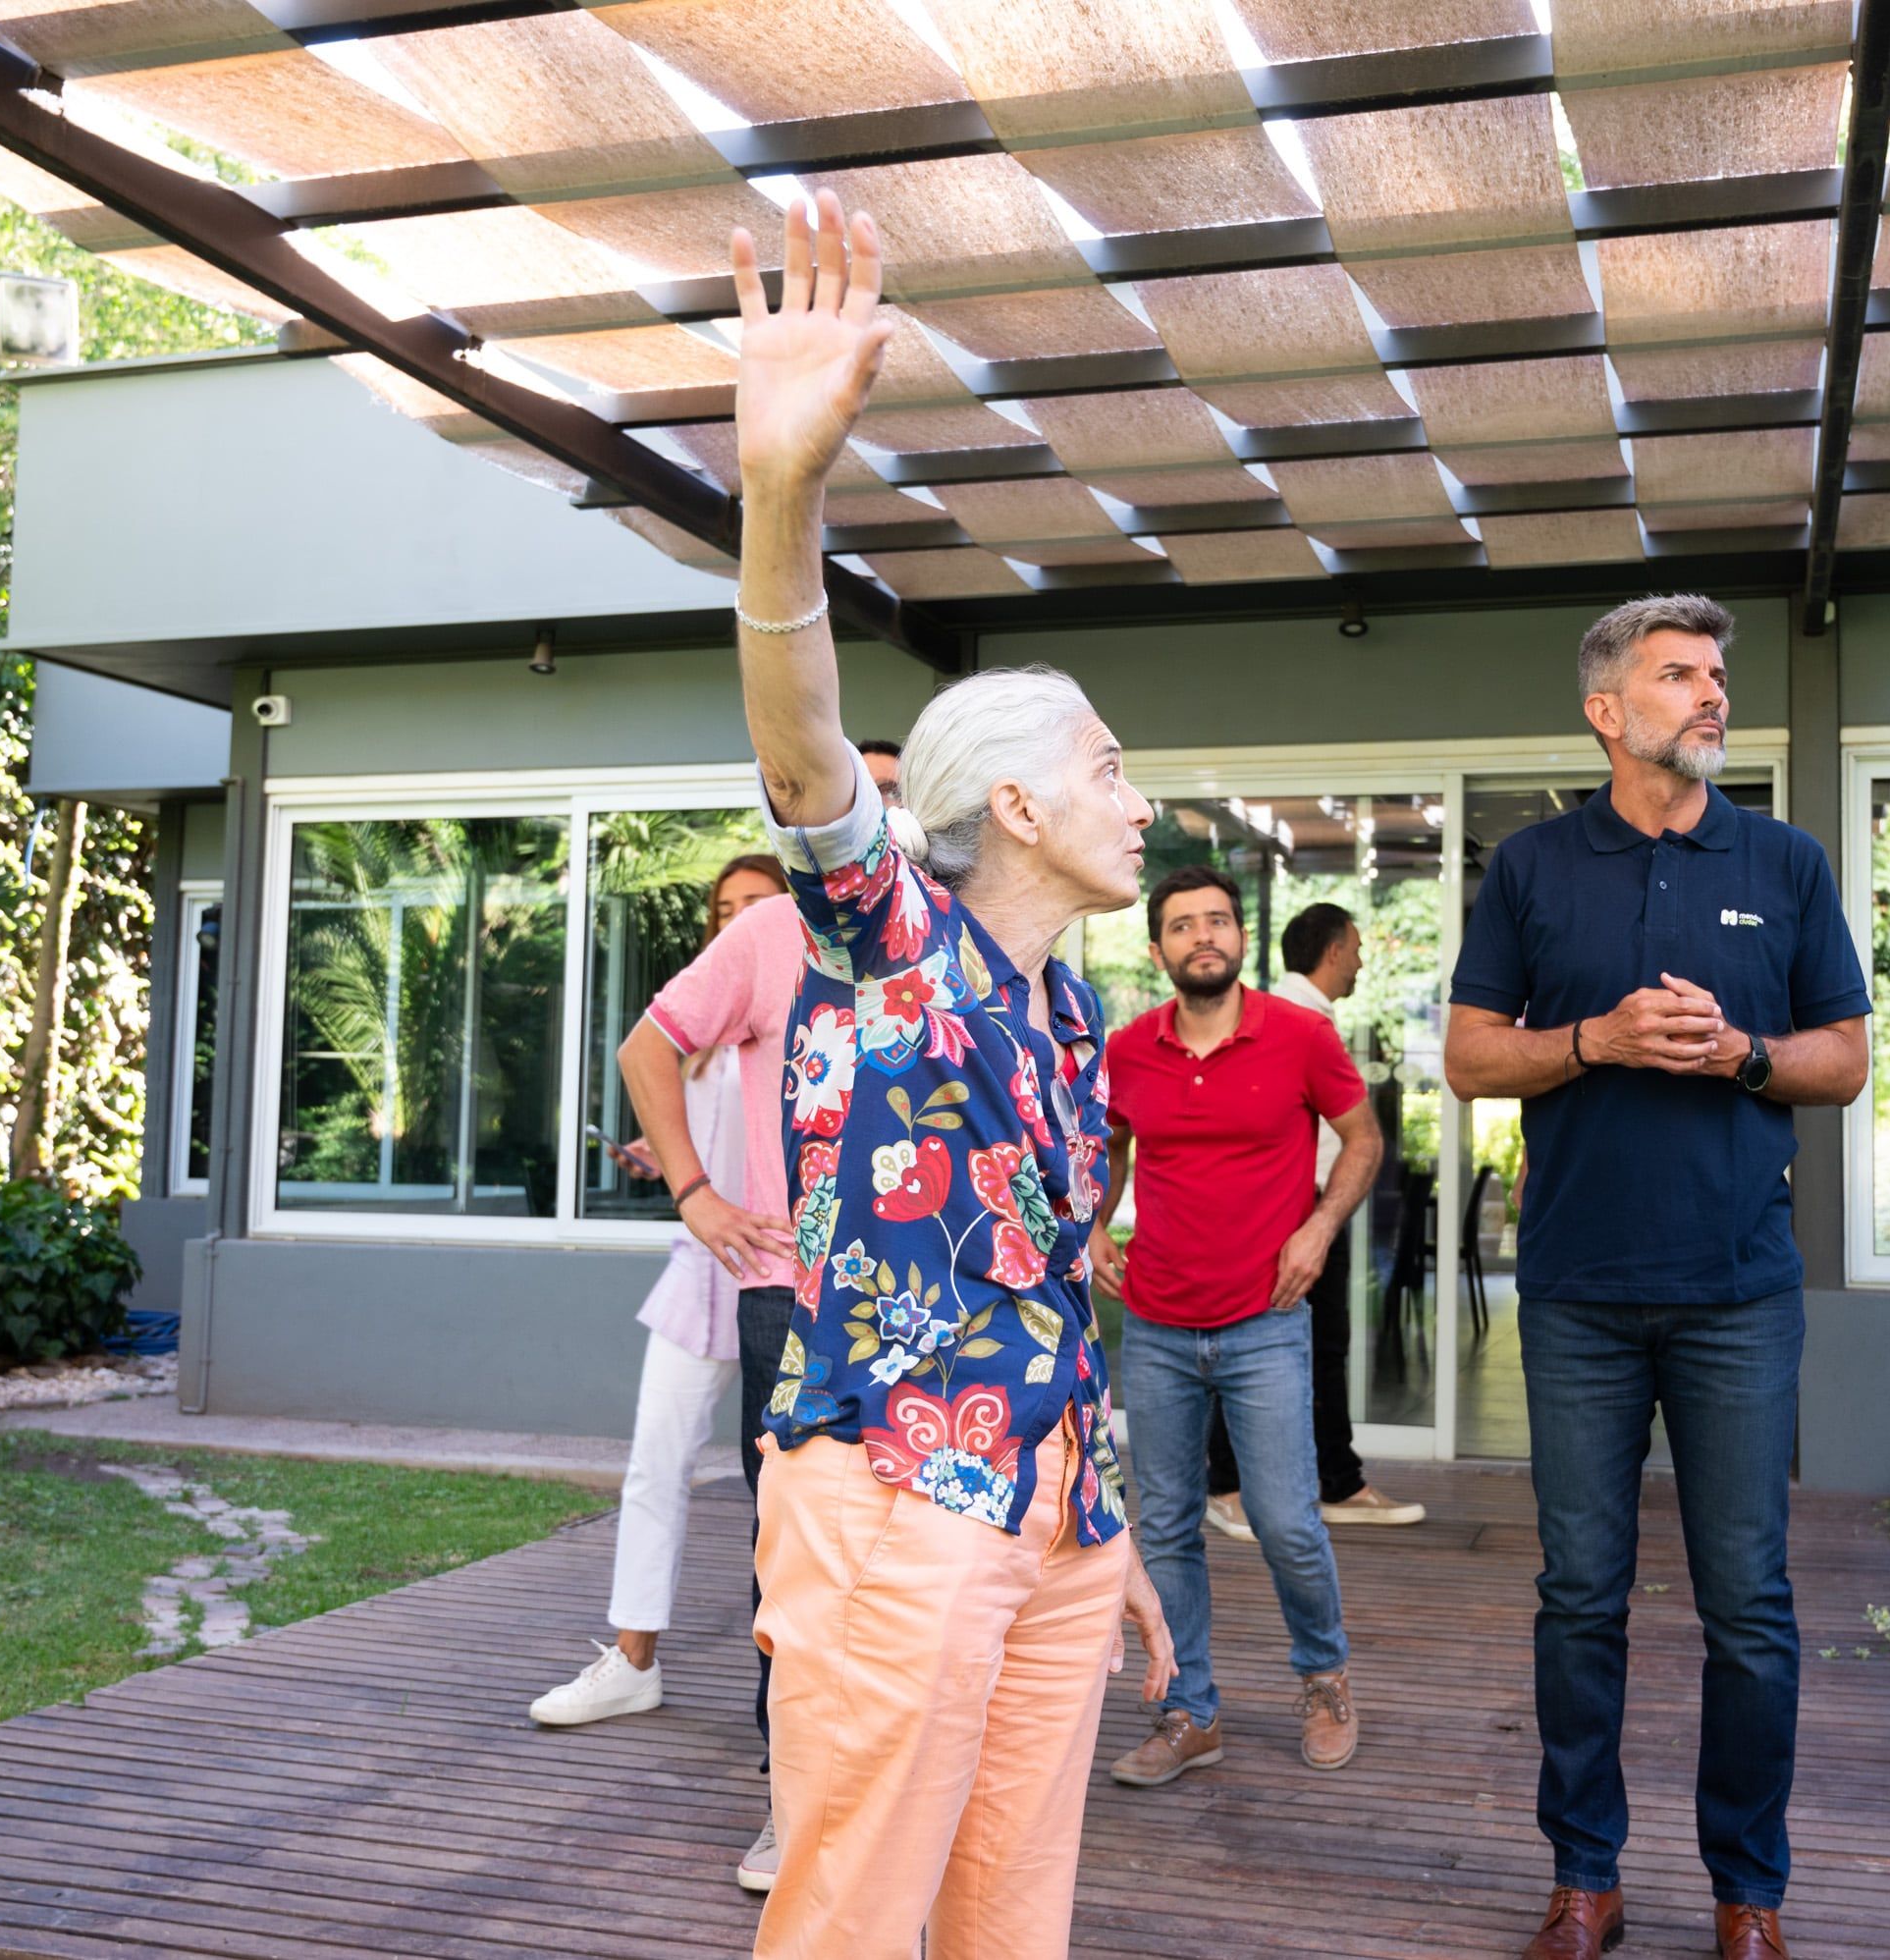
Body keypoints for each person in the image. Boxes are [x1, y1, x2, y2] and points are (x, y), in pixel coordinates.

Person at [714, 187, 1173, 1960]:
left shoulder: (1069, 1024)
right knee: (856, 1918)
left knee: (1012, 1919)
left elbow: (1050, 1293)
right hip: (894, 1499)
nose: (1143, 801)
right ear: (1023, 807)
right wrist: (784, 490)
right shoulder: (885, 933)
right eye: (1113, 768)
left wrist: (1105, 1519)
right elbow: (804, 739)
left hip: (1043, 1520)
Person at [1442, 595, 1872, 1960]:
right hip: (1576, 1293)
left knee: (1748, 1605)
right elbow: (1468, 1056)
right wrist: (1600, 1040)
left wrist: (1739, 1054)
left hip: (1741, 1294)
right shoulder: (1531, 868)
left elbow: (1845, 1059)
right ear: (1607, 709)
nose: (1709, 694)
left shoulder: (1787, 861)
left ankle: (1750, 1893)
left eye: (1715, 674)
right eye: (1677, 674)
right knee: (1583, 1597)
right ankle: (1587, 1877)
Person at [1093, 867, 1382, 1789]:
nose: (1203, 937)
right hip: (1158, 1323)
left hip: (1265, 1319)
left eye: (1217, 921)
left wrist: (1319, 1227)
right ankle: (1192, 1712)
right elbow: (1109, 1151)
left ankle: (1325, 1679)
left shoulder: (1300, 1035)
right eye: (1183, 926)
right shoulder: (1130, 1049)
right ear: (1159, 951)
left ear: (1240, 939)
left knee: (1286, 1519)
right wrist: (1096, 1224)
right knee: (1168, 1524)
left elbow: (1364, 1139)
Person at [527, 853, 795, 1753]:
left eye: (756, 903)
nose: (738, 919)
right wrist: (668, 1165)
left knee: (791, 1500)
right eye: (725, 908)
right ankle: (634, 1660)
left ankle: (798, 1703)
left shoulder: (802, 992)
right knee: (654, 1465)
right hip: (702, 1268)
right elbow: (687, 1115)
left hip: (779, 1263)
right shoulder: (705, 1027)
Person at [1202, 900, 1426, 1539]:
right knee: (1260, 1347)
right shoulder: (1288, 1020)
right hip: (1286, 1212)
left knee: (1321, 1350)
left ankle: (1336, 1482)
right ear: (1331, 953)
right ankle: (1227, 1485)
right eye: (1355, 948)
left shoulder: (1302, 1016)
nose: (1359, 960)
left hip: (1314, 1207)